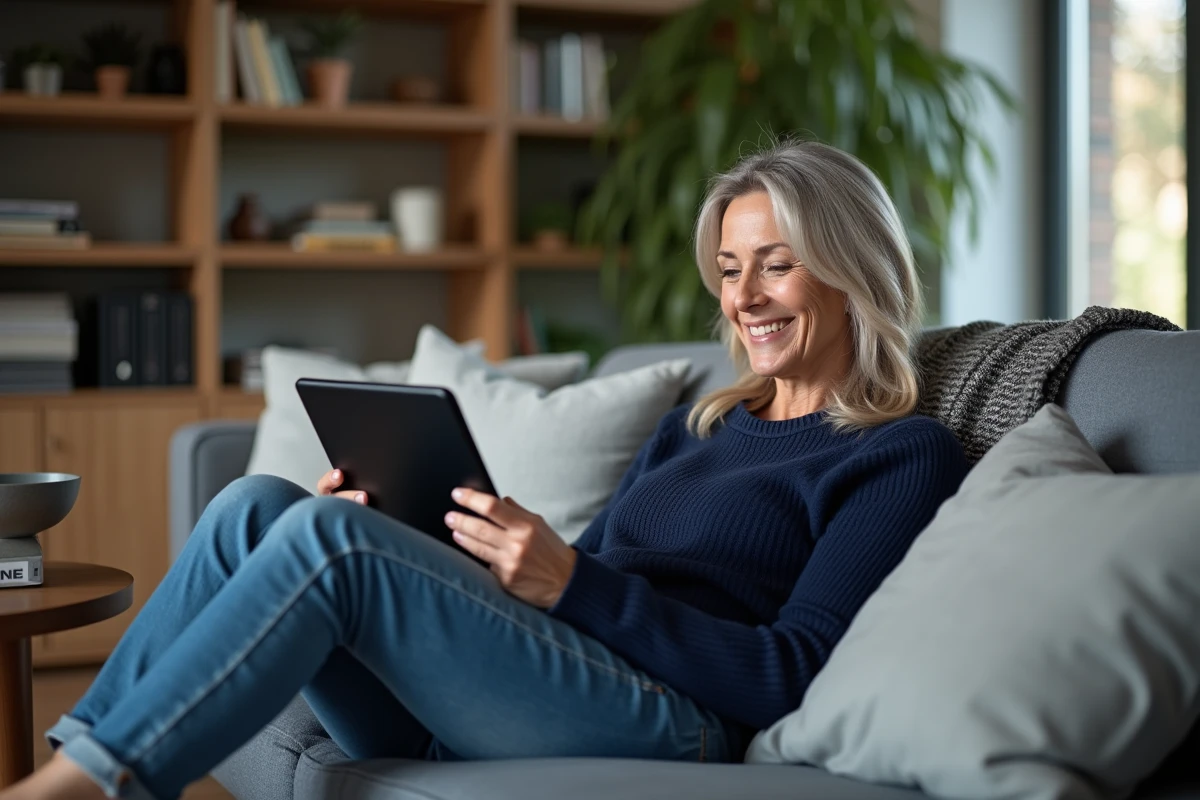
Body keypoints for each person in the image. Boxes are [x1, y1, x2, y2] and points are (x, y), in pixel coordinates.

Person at [3, 141, 967, 800]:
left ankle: (90, 785)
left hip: (680, 721)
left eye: (776, 265)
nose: (744, 296)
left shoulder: (894, 452)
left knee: (326, 541)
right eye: (728, 267)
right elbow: (583, 586)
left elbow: (787, 674)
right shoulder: (697, 429)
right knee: (256, 506)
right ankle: (71, 761)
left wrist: (572, 581)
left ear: (851, 267)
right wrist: (430, 546)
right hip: (553, 686)